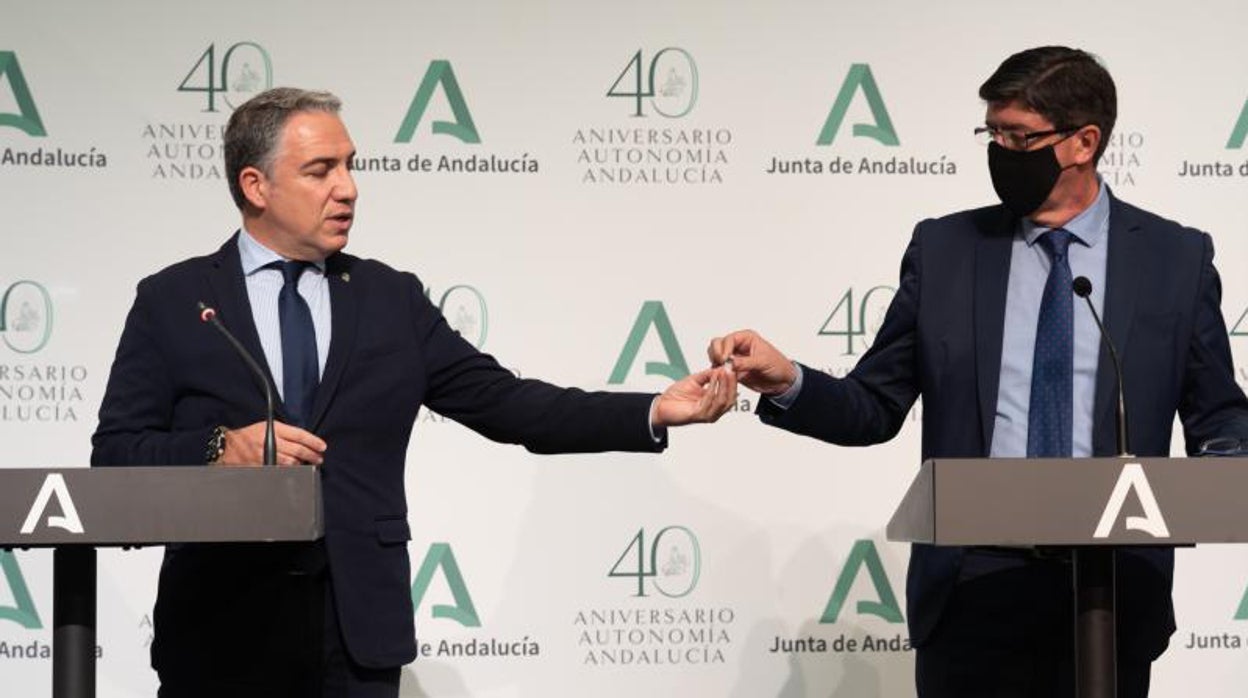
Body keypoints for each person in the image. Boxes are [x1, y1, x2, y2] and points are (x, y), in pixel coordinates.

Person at [91, 87, 736, 698]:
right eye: (321, 170)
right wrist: (218, 448)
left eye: (350, 166)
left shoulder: (389, 298)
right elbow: (116, 456)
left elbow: (510, 404)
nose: (348, 188)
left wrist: (654, 409)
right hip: (221, 633)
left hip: (357, 633)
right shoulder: (176, 301)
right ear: (254, 186)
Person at [709, 46, 1248, 697]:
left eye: (1020, 137)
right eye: (992, 134)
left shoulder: (1173, 258)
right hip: (971, 589)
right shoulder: (946, 250)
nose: (1002, 152)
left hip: (1108, 591)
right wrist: (788, 379)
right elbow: (873, 406)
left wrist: (1224, 467)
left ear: (1084, 142)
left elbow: (1218, 412)